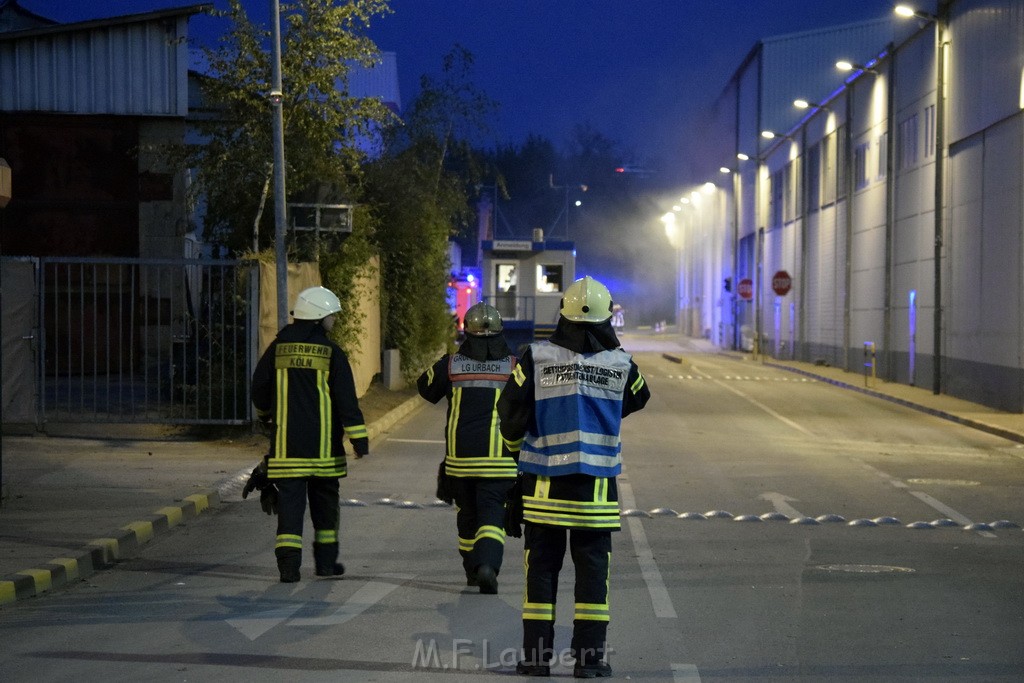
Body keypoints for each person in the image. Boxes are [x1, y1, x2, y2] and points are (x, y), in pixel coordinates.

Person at [497, 276, 650, 679]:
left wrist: (519, 458)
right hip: (596, 494)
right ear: (606, 319)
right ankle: (589, 662)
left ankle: (535, 660)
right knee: (593, 577)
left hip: (544, 489)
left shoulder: (536, 357)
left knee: (541, 572)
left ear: (561, 315)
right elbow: (639, 396)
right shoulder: (621, 364)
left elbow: (509, 417)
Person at [247, 285, 369, 583]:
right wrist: (359, 440)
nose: (334, 321)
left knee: (290, 509)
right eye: (332, 315)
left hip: (287, 451)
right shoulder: (332, 353)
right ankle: (326, 565)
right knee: (325, 510)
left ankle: (288, 568)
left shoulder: (277, 349)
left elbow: (259, 389)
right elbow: (346, 401)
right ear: (318, 317)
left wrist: (265, 417)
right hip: (324, 453)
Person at [417, 302, 518, 594]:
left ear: (466, 332)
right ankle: (487, 566)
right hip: (499, 461)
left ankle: (472, 570)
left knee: (466, 516)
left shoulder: (450, 365)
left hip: (459, 462)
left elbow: (425, 388)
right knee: (491, 516)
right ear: (500, 332)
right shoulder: (514, 366)